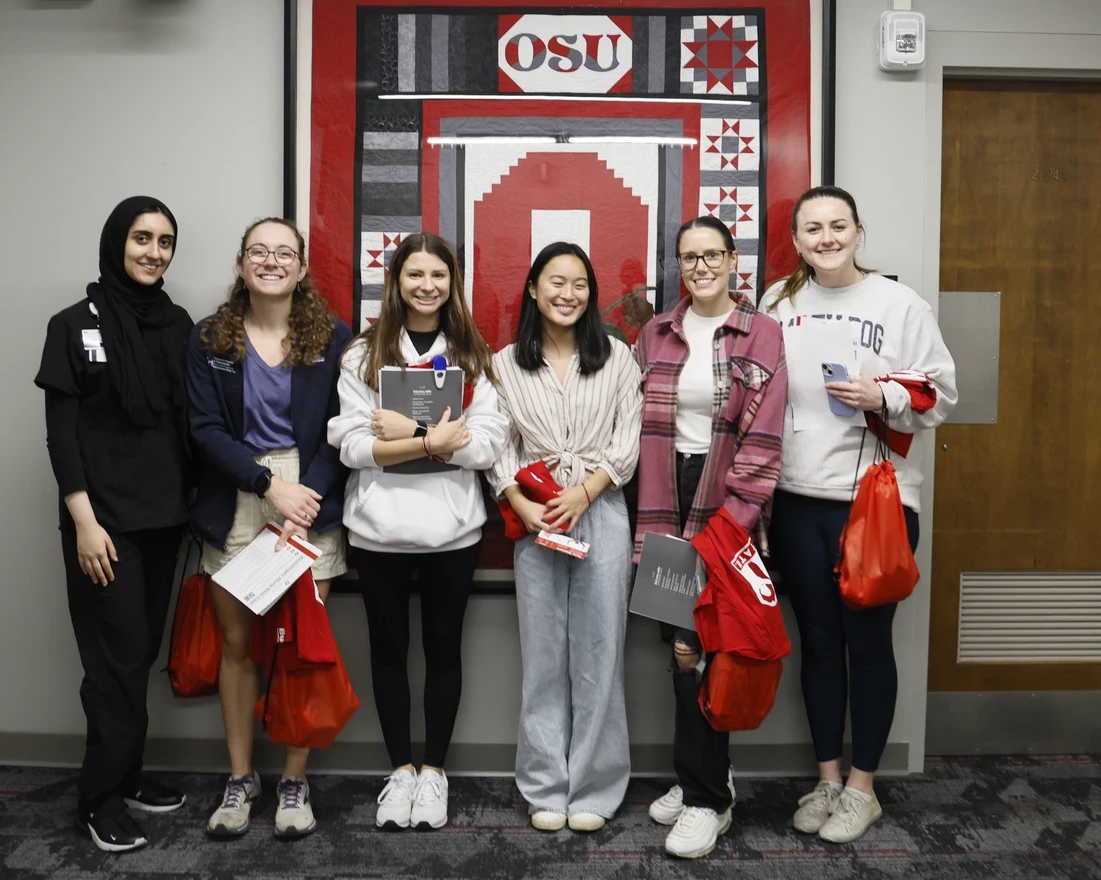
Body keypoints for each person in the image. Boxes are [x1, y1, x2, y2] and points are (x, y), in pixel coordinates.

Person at [761, 185, 956, 844]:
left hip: (878, 504)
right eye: (812, 228)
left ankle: (863, 789)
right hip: (796, 500)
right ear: (796, 239)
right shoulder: (777, 303)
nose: (826, 237)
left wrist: (884, 392)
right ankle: (826, 777)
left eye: (837, 225)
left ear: (858, 230)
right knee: (818, 644)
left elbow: (942, 394)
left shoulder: (899, 303)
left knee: (869, 647)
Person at [327, 232, 508, 831]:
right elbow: (353, 448)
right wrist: (433, 440)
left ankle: (434, 774)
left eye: (438, 275)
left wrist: (402, 435)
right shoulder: (362, 355)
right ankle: (399, 772)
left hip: (452, 532)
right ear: (396, 280)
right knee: (385, 652)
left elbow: (485, 447)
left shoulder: (475, 355)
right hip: (378, 530)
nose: (426, 285)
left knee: (443, 652)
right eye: (414, 274)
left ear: (453, 282)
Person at [34, 196, 193, 853]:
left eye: (165, 241)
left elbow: (187, 422)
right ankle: (97, 798)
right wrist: (83, 524)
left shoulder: (178, 324)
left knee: (138, 658)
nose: (154, 251)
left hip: (165, 521)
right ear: (115, 243)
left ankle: (126, 776)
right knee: (112, 664)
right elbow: (61, 435)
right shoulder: (72, 325)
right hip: (103, 526)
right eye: (142, 238)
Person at [187, 217, 352, 839]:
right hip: (239, 493)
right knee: (236, 645)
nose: (272, 261)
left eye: (285, 253)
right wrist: (266, 487)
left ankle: (293, 780)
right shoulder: (210, 338)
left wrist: (302, 495)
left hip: (309, 492)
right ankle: (239, 779)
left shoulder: (333, 337)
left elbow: (344, 428)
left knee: (299, 646)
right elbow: (204, 430)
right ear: (240, 265)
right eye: (259, 251)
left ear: (302, 268)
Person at [634, 216, 788, 859]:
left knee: (704, 648)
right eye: (688, 258)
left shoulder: (763, 333)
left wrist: (731, 526)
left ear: (733, 261)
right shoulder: (655, 334)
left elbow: (765, 439)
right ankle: (705, 774)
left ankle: (707, 801)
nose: (700, 268)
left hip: (726, 508)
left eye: (712, 256)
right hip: (665, 500)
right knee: (678, 644)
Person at [488, 243, 642, 833]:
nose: (568, 293)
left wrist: (586, 491)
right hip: (536, 519)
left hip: (599, 511)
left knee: (602, 652)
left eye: (580, 283)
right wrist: (522, 505)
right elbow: (498, 444)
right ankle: (546, 785)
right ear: (532, 289)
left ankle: (596, 787)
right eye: (556, 282)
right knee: (544, 655)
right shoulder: (504, 364)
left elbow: (627, 440)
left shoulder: (619, 358)